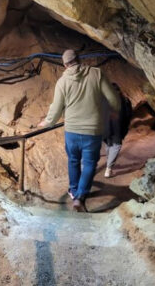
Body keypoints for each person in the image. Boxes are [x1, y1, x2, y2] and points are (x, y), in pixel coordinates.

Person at [38, 49, 120, 211]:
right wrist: (113, 111)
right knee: (89, 163)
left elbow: (56, 108)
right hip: (92, 130)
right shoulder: (97, 74)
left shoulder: (62, 82)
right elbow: (113, 100)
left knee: (73, 161)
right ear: (80, 59)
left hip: (72, 131)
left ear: (64, 64)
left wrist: (47, 122)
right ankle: (80, 196)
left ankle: (74, 191)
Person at [103, 83, 132, 178]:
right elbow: (128, 115)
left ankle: (109, 161)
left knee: (108, 144)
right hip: (118, 127)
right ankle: (108, 168)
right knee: (116, 146)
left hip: (105, 127)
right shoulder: (125, 100)